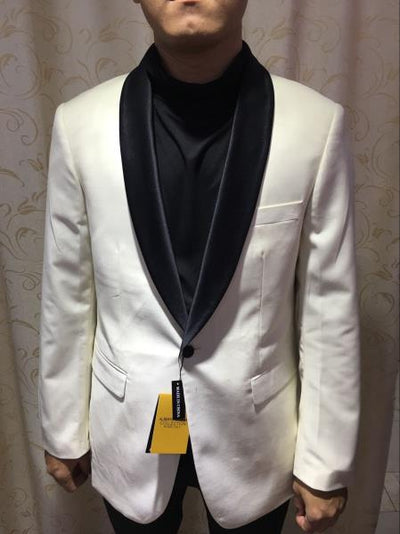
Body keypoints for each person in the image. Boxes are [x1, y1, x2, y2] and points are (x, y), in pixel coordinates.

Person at [39, 1, 360, 532]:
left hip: (255, 437)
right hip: (130, 425)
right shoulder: (79, 124)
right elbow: (66, 293)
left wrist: (325, 461)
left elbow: (329, 307)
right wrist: (63, 427)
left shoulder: (316, 125)